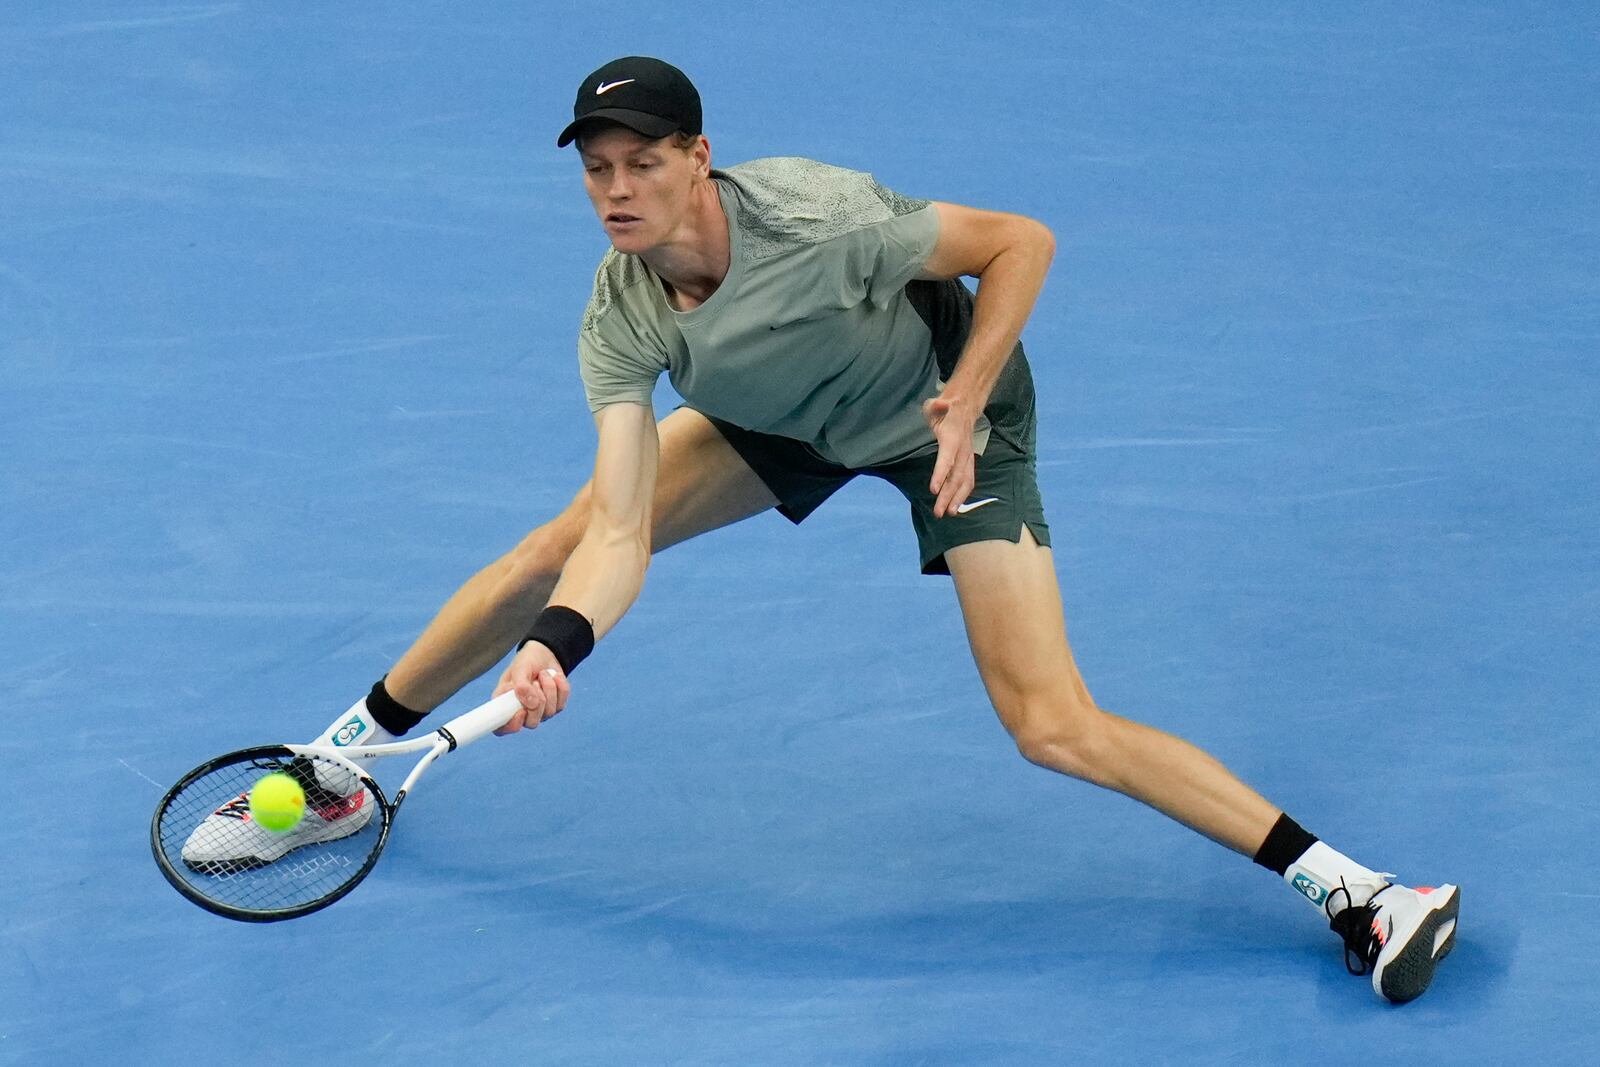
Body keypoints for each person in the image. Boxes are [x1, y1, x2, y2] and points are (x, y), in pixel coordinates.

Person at [191, 56, 1458, 1003]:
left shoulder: (821, 218)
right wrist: (558, 645)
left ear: (698, 157)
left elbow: (1022, 240)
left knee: (1050, 723)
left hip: (948, 424)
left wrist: (966, 389)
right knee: (546, 553)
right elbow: (620, 526)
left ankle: (1358, 890)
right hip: (779, 420)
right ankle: (342, 767)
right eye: (595, 168)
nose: (616, 191)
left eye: (641, 162)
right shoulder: (622, 308)